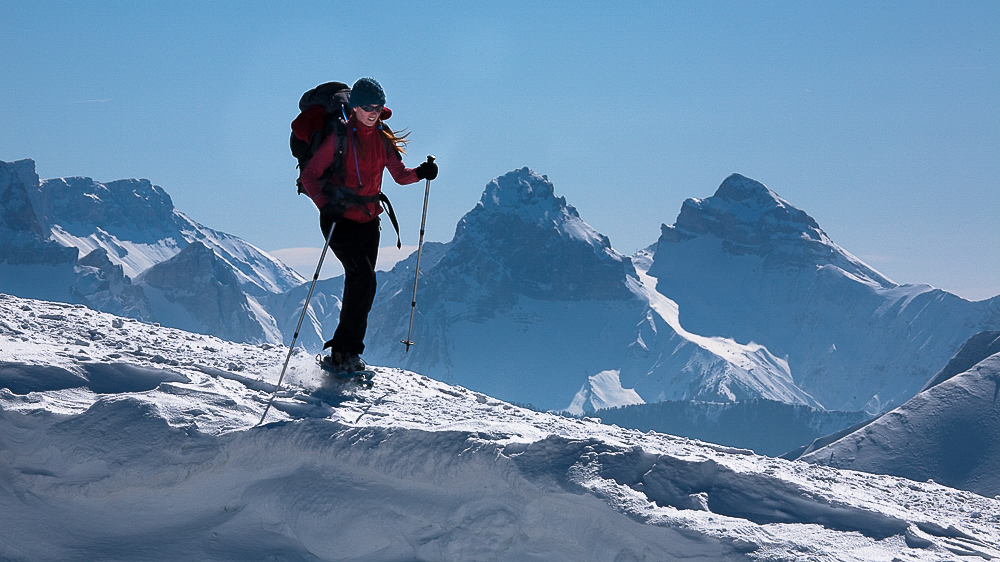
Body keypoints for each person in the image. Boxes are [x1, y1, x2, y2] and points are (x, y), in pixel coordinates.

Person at [299, 77, 438, 373]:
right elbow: (309, 176)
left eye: (378, 107)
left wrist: (422, 173)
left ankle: (345, 353)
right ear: (354, 107)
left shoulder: (382, 137)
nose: (373, 112)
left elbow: (399, 175)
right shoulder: (338, 137)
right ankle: (343, 353)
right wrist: (325, 205)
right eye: (366, 107)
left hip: (369, 221)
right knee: (364, 278)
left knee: (361, 283)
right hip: (338, 219)